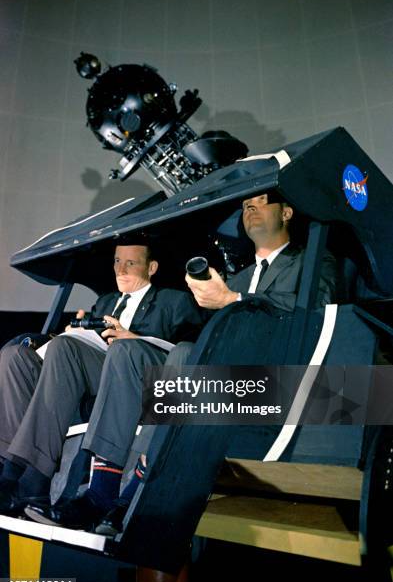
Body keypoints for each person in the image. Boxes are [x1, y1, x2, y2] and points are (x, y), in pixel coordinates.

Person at [24, 192, 337, 534]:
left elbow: (314, 314)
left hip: (268, 381)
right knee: (128, 352)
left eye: (260, 202)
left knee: (186, 353)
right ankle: (100, 493)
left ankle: (133, 494)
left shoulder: (314, 263)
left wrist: (234, 299)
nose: (250, 208)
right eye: (246, 204)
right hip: (214, 376)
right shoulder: (238, 277)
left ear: (287, 212)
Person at [0, 241, 206, 515]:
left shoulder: (173, 301)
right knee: (16, 356)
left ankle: (29, 475)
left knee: (119, 350)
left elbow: (190, 350)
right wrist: (71, 334)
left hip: (142, 375)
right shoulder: (106, 302)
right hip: (99, 371)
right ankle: (13, 469)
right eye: (117, 261)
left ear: (151, 267)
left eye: (131, 263)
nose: (121, 269)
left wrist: (132, 337)